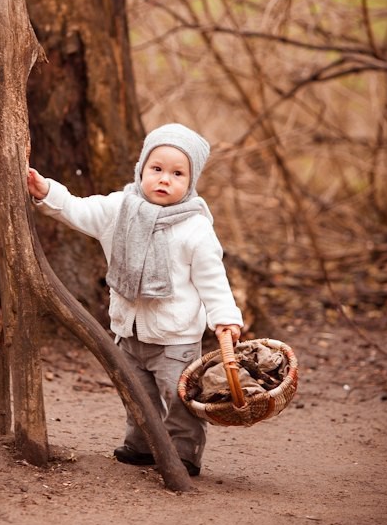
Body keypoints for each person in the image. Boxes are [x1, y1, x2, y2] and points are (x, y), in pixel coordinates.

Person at [27, 123, 243, 477]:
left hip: (176, 338)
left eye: (177, 173)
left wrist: (224, 317)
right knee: (136, 394)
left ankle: (184, 454)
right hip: (129, 330)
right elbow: (77, 209)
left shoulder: (195, 227)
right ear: (141, 168)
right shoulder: (119, 209)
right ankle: (142, 445)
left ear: (191, 182)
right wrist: (45, 190)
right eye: (156, 169)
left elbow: (212, 279)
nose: (164, 179)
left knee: (180, 399)